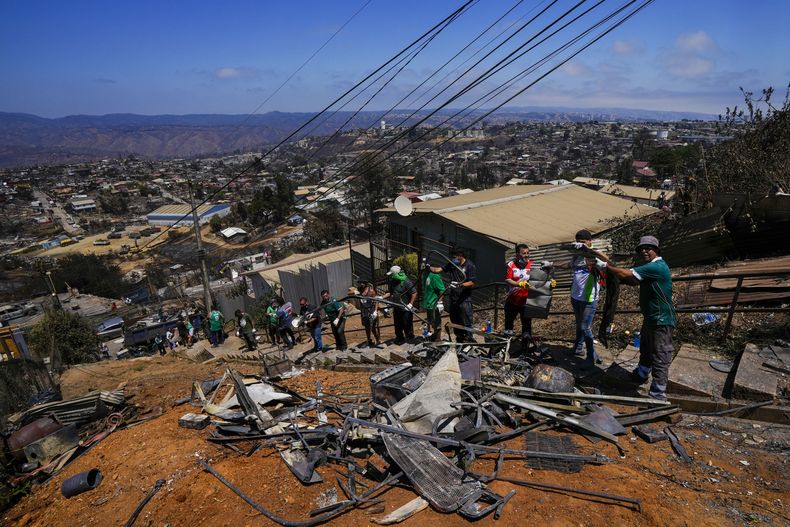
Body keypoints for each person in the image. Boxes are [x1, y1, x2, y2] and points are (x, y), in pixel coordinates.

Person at [595, 235, 676, 400]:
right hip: (652, 318)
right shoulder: (649, 267)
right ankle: (641, 374)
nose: (644, 251)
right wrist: (608, 265)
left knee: (660, 355)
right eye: (642, 249)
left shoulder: (657, 267)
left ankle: (658, 394)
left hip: (662, 320)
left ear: (656, 250)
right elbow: (632, 280)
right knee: (646, 348)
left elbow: (625, 273)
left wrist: (605, 266)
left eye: (648, 248)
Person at [554, 230, 609, 368]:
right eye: (578, 242)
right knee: (579, 325)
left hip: (588, 298)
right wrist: (551, 264)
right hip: (576, 296)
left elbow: (607, 260)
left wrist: (588, 249)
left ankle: (591, 357)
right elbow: (568, 265)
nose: (580, 244)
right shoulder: (577, 256)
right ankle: (578, 348)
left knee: (585, 327)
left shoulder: (593, 254)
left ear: (590, 241)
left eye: (583, 242)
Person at [432, 249, 477, 342]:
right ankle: (459, 338)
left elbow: (472, 283)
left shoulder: (469, 266)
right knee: (455, 320)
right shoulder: (452, 265)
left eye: (454, 257)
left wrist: (460, 284)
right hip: (454, 298)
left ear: (460, 256)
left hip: (464, 298)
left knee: (467, 320)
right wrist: (428, 268)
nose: (453, 259)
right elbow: (438, 270)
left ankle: (469, 340)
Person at [503, 243, 534, 352]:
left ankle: (525, 348)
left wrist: (549, 281)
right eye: (523, 253)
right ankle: (507, 346)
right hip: (512, 300)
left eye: (528, 253)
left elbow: (539, 279)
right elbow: (508, 279)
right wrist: (518, 284)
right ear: (517, 254)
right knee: (508, 324)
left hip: (526, 301)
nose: (526, 255)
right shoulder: (511, 264)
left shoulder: (532, 265)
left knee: (526, 326)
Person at [384, 265, 416, 345]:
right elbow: (391, 292)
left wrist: (410, 304)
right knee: (397, 325)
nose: (391, 276)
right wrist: (382, 297)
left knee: (407, 325)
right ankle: (399, 338)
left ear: (396, 274)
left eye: (392, 274)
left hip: (405, 308)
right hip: (397, 308)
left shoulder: (406, 282)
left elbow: (414, 293)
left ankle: (410, 339)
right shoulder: (393, 282)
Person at [422, 266, 446, 341]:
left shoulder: (435, 276)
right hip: (428, 304)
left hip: (434, 304)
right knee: (431, 322)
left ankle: (438, 339)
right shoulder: (425, 274)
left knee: (437, 323)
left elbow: (442, 290)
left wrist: (440, 302)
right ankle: (434, 336)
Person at [356, 283, 382, 347]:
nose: (361, 284)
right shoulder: (360, 291)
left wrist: (375, 311)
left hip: (371, 311)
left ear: (365, 283)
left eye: (362, 283)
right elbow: (349, 292)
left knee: (373, 327)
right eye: (360, 283)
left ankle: (378, 340)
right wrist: (354, 292)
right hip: (364, 312)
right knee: (366, 328)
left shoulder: (371, 291)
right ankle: (369, 340)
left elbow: (376, 301)